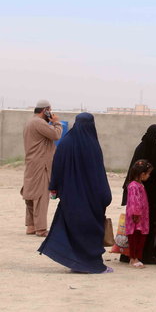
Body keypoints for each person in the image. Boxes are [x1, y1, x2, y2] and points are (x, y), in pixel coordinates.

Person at [38, 113, 113, 274]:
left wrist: (54, 187)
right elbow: (99, 173)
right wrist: (105, 196)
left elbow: (56, 166)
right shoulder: (93, 145)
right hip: (91, 197)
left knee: (72, 227)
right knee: (90, 229)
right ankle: (91, 264)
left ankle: (76, 261)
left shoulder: (65, 142)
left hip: (70, 196)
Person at [120, 124, 156, 264]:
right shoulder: (142, 150)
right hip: (143, 194)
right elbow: (139, 171)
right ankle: (140, 255)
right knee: (138, 227)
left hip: (153, 192)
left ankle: (152, 254)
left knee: (153, 223)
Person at [21, 99, 63, 237]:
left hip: (32, 163)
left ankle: (31, 226)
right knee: (40, 196)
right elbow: (56, 135)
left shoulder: (31, 122)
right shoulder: (39, 123)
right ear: (45, 110)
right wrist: (56, 122)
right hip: (41, 165)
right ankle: (41, 229)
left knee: (31, 195)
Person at [125, 159, 153, 269]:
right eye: (148, 174)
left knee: (141, 237)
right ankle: (133, 258)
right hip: (136, 218)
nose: (149, 176)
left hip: (142, 218)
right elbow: (133, 201)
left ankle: (136, 257)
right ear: (142, 174)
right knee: (134, 238)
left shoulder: (140, 185)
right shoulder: (133, 186)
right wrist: (136, 214)